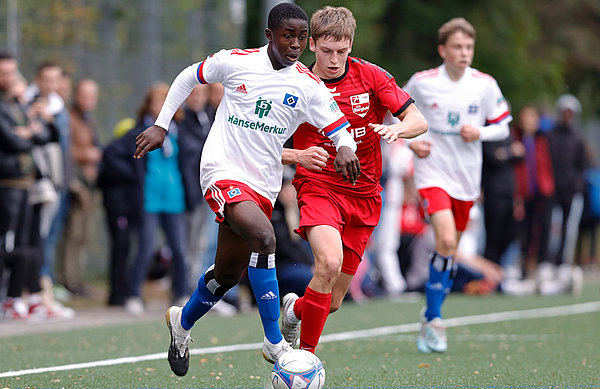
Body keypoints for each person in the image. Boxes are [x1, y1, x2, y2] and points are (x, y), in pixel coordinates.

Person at [133, 2, 360, 376]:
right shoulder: (236, 61)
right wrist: (161, 124)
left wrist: (346, 147)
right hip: (221, 171)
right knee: (265, 236)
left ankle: (181, 324)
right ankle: (275, 342)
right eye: (288, 36)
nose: (296, 45)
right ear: (270, 35)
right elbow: (189, 76)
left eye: (302, 38)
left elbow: (337, 125)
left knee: (226, 274)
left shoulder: (307, 83)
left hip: (263, 183)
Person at [279, 6, 427, 354]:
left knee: (332, 300)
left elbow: (418, 121)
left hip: (364, 195)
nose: (334, 60)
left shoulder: (371, 76)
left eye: (342, 52)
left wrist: (398, 130)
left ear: (351, 45)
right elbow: (259, 144)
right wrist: (297, 156)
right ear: (312, 44)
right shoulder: (293, 82)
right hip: (318, 187)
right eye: (327, 51)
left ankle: (295, 310)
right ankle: (305, 359)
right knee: (327, 263)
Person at [403, 17, 511, 353]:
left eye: (469, 47)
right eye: (458, 47)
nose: (464, 53)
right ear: (443, 50)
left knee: (448, 251)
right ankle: (434, 319)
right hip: (432, 172)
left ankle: (430, 312)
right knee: (446, 239)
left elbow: (504, 126)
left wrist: (481, 132)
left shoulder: (484, 84)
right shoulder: (422, 83)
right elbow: (396, 113)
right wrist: (411, 143)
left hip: (466, 179)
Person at [125, 82, 190, 315]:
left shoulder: (180, 131)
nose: (160, 106)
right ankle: (133, 294)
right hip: (149, 199)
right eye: (156, 101)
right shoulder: (136, 132)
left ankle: (181, 292)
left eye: (165, 101)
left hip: (175, 199)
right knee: (145, 247)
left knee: (180, 249)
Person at [56, 78, 101, 296]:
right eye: (84, 95)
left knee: (83, 235)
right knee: (72, 235)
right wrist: (87, 155)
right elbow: (67, 151)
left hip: (89, 185)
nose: (88, 100)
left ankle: (76, 279)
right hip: (75, 185)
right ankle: (67, 280)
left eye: (92, 96)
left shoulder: (89, 120)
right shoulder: (69, 119)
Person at [543, 94, 586, 294]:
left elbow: (582, 165)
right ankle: (548, 264)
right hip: (553, 190)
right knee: (552, 227)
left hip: (571, 191)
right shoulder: (550, 136)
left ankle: (563, 266)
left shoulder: (578, 138)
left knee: (569, 230)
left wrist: (576, 185)